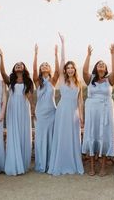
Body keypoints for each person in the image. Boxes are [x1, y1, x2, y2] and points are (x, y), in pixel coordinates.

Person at [47, 34, 84, 175]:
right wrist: (63, 44)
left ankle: (73, 163)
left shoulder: (79, 83)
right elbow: (62, 60)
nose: (69, 70)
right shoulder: (62, 79)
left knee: (73, 138)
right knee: (62, 136)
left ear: (75, 69)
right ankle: (60, 163)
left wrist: (81, 116)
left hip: (73, 112)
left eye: (72, 68)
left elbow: (80, 101)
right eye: (68, 68)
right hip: (62, 111)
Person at [0, 47, 34, 175]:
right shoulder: (10, 80)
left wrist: (33, 110)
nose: (18, 66)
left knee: (23, 133)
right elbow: (2, 71)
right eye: (16, 65)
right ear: (14, 68)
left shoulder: (28, 81)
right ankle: (13, 163)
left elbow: (29, 97)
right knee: (13, 134)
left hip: (24, 109)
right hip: (12, 109)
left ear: (23, 68)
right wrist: (1, 56)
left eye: (20, 65)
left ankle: (22, 163)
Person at [82, 44, 114, 176]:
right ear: (96, 68)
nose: (101, 65)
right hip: (92, 111)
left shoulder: (110, 80)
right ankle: (91, 166)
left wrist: (113, 54)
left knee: (105, 135)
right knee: (92, 134)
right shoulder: (90, 79)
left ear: (106, 68)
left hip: (106, 110)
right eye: (99, 64)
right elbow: (84, 71)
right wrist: (89, 55)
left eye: (103, 64)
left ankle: (103, 167)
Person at [33, 43, 59, 172]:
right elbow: (33, 71)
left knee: (51, 138)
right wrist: (36, 54)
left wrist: (56, 55)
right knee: (40, 138)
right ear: (40, 69)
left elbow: (59, 71)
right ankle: (41, 164)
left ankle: (50, 163)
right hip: (40, 113)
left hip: (52, 112)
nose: (44, 66)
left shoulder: (53, 81)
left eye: (47, 65)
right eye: (42, 65)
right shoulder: (38, 82)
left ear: (50, 69)